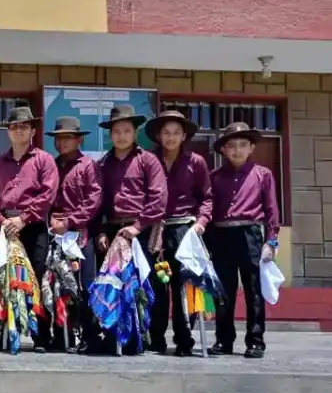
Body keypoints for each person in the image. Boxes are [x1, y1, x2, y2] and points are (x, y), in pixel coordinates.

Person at [90, 104, 168, 355]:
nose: (121, 136)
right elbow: (98, 201)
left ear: (135, 133)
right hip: (112, 231)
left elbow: (158, 199)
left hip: (140, 229)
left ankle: (152, 337)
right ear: (110, 135)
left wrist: (137, 227)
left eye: (126, 130)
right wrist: (101, 231)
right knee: (112, 285)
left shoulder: (148, 161)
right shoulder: (102, 164)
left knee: (146, 284)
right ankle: (114, 336)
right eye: (116, 131)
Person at [0, 106, 59, 351]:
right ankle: (4, 333)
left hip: (33, 226)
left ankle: (41, 336)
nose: (19, 131)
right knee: (4, 280)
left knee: (37, 279)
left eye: (24, 126)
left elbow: (48, 194)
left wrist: (24, 219)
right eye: (15, 127)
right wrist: (3, 222)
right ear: (8, 132)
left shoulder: (44, 160)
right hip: (6, 227)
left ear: (33, 131)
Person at [206, 122, 280, 359]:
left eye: (242, 145)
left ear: (251, 148)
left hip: (250, 236)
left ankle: (256, 340)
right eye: (231, 146)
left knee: (254, 291)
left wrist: (272, 241)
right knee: (223, 292)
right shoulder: (214, 177)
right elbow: (208, 209)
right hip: (221, 236)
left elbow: (271, 211)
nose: (237, 150)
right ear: (223, 150)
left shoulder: (263, 175)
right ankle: (223, 340)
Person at [143, 110, 212, 356]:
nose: (170, 138)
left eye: (175, 133)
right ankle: (157, 339)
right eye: (166, 133)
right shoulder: (149, 161)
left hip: (185, 229)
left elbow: (206, 198)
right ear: (159, 136)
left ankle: (185, 340)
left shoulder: (196, 162)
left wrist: (201, 222)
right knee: (159, 285)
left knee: (185, 287)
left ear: (184, 135)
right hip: (158, 230)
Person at [45, 116, 103, 353]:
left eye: (67, 137)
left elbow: (94, 200)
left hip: (79, 234)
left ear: (78, 139)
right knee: (57, 284)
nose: (62, 143)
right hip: (54, 233)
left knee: (83, 285)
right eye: (58, 138)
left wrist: (70, 222)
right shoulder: (52, 165)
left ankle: (88, 334)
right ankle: (61, 334)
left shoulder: (89, 166)